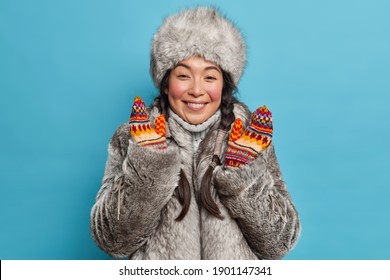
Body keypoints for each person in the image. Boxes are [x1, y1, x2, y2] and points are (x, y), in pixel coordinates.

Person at [90, 7, 300, 260]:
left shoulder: (250, 139)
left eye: (210, 77)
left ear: (224, 86)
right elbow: (112, 241)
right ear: (166, 83)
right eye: (184, 75)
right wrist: (149, 164)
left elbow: (279, 244)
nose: (197, 90)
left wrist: (242, 174)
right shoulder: (131, 138)